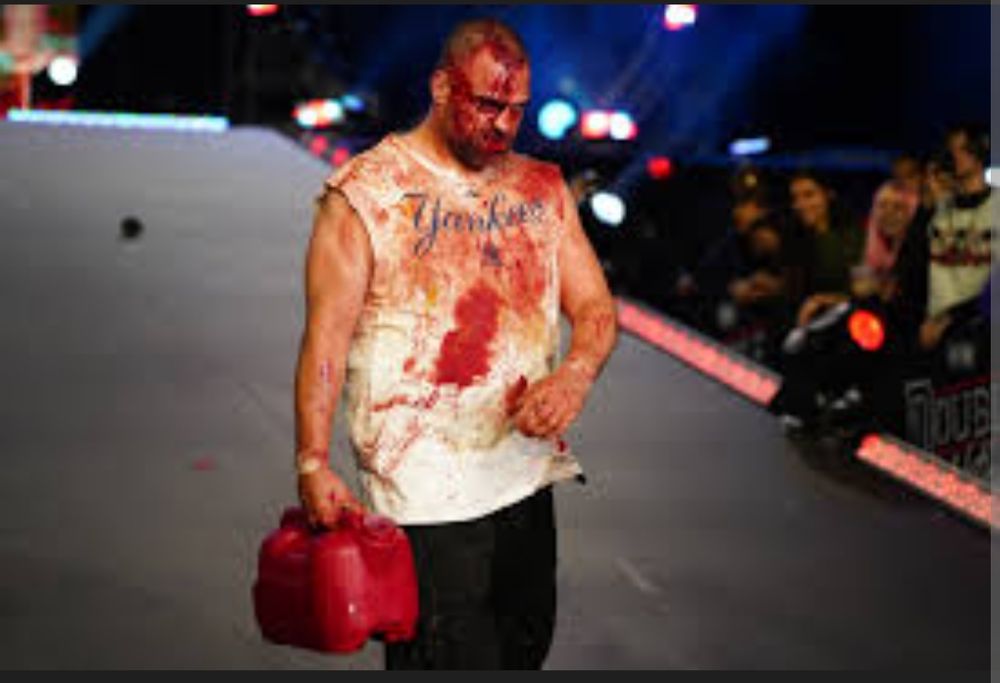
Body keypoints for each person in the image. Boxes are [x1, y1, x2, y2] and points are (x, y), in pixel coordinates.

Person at [292, 18, 618, 670]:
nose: (503, 126)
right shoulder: (368, 194)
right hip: (422, 490)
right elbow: (326, 338)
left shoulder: (541, 188)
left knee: (523, 651)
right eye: (488, 104)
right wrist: (312, 461)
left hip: (524, 475)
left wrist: (575, 373)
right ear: (442, 87)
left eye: (517, 109)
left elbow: (595, 308)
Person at [918, 124, 995, 351]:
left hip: (983, 329)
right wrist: (927, 205)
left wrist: (953, 317)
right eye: (949, 150)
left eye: (960, 149)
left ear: (979, 152)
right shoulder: (939, 208)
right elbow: (915, 263)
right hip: (935, 330)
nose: (952, 156)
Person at [783, 170, 865, 328]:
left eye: (809, 195)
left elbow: (863, 293)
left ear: (828, 195)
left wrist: (823, 300)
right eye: (795, 198)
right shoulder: (797, 240)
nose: (800, 205)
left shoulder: (852, 238)